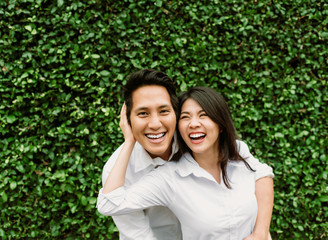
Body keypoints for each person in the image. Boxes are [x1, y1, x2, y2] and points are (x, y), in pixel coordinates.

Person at [100, 69, 274, 240]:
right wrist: (130, 141)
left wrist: (260, 233)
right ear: (128, 120)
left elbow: (262, 173)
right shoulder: (118, 173)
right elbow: (135, 233)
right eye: (143, 113)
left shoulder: (197, 142)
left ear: (175, 115)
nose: (155, 124)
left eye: (163, 111)